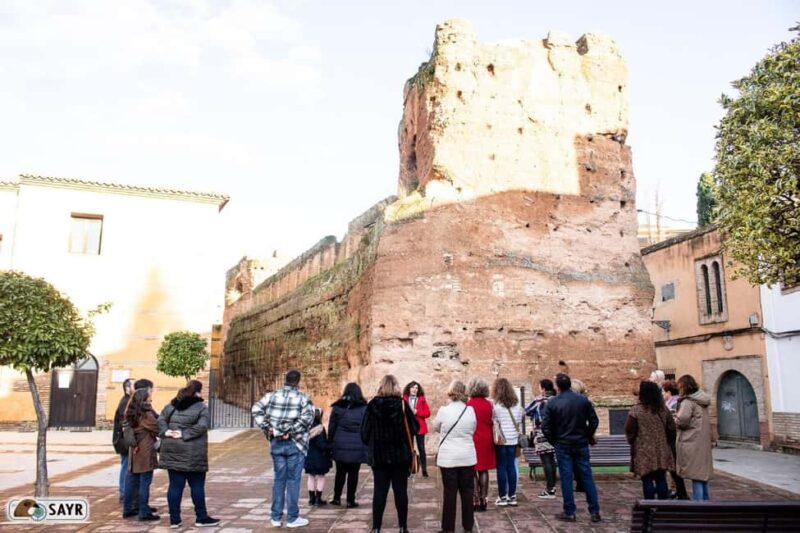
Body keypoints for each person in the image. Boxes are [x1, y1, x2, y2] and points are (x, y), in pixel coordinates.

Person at [252, 369, 315, 528]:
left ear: (285, 380)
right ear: (298, 381)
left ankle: (276, 517)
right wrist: (291, 431)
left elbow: (256, 409)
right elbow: (308, 418)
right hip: (295, 443)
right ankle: (293, 517)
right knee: (293, 480)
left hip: (276, 443)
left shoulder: (271, 395)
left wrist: (269, 428)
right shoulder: (303, 398)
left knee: (279, 479)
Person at [158, 380, 220, 528]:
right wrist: (183, 434)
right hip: (193, 452)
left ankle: (174, 520)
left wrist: (166, 431)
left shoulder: (171, 406)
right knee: (197, 486)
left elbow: (160, 419)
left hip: (172, 450)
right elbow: (203, 426)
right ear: (198, 392)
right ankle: (201, 517)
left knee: (174, 486)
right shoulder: (201, 408)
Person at [360, 374, 418, 533]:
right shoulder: (402, 405)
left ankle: (377, 527)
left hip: (379, 456)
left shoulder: (372, 405)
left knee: (379, 491)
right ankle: (402, 526)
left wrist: (374, 444)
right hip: (400, 456)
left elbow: (364, 433)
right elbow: (415, 428)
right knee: (401, 491)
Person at [542, 373, 601, 523]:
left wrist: (554, 440)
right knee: (586, 476)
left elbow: (545, 426)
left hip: (563, 444)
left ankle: (569, 511)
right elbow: (594, 421)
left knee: (566, 478)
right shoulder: (582, 401)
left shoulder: (553, 403)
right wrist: (587, 435)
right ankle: (594, 511)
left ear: (557, 386)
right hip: (580, 442)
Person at [434, 380, 477, 533]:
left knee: (449, 493)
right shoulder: (470, 411)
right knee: (467, 492)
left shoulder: (443, 411)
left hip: (448, 458)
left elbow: (436, 427)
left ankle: (448, 528)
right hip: (467, 456)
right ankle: (468, 526)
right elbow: (473, 428)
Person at [625, 381, 676, 500]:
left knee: (647, 479)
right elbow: (672, 428)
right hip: (661, 449)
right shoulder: (663, 410)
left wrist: (633, 441)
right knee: (661, 478)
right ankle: (663, 508)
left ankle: (649, 507)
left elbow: (629, 429)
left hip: (644, 450)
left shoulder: (636, 410)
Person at [328, 383, 369, 508]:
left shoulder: (338, 407)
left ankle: (336, 497)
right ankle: (351, 500)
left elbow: (332, 427)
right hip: (357, 444)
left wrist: (330, 442)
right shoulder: (364, 408)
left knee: (340, 472)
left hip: (340, 443)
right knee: (353, 473)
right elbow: (366, 427)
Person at [123, 386, 160, 522]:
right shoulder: (146, 415)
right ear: (144, 399)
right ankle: (143, 511)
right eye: (149, 395)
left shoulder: (132, 412)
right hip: (144, 450)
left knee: (132, 480)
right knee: (145, 481)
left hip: (134, 450)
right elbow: (158, 428)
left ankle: (129, 508)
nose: (151, 396)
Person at [675, 374, 713, 501]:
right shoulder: (702, 401)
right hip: (703, 442)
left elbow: (682, 420)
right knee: (703, 476)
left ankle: (698, 505)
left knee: (696, 475)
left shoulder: (688, 402)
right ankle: (706, 503)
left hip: (692, 441)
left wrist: (675, 419)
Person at [491, 377, 524, 507]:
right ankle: (512, 496)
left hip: (500, 440)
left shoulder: (496, 406)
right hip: (513, 439)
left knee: (501, 468)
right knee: (511, 467)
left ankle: (502, 496)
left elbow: (494, 421)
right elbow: (520, 419)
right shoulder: (518, 406)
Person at [466, 377, 495, 512]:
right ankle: (484, 499)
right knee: (484, 470)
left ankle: (475, 499)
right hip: (487, 439)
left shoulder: (468, 404)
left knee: (472, 470)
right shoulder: (489, 404)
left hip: (472, 439)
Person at [525, 378, 557, 499]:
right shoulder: (556, 399)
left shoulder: (539, 401)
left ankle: (550, 489)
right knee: (552, 460)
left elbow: (527, 411)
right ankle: (552, 486)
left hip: (542, 433)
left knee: (546, 460)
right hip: (556, 434)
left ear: (543, 388)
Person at [661, 380, 688, 499]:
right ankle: (678, 491)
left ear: (668, 392)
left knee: (674, 468)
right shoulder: (677, 402)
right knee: (674, 468)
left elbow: (673, 422)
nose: (662, 394)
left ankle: (681, 493)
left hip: (674, 439)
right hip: (674, 438)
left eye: (663, 391)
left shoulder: (673, 404)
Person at [403, 381, 431, 477]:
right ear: (409, 389)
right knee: (408, 448)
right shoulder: (404, 399)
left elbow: (427, 413)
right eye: (413, 387)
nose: (414, 389)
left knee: (421, 448)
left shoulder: (422, 399)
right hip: (408, 427)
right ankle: (408, 469)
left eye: (416, 388)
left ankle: (424, 470)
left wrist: (417, 412)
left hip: (419, 427)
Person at [304, 408, 332, 506]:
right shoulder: (320, 429)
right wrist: (330, 446)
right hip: (320, 458)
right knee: (321, 477)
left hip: (309, 457)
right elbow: (322, 445)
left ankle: (311, 499)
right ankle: (318, 499)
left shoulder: (306, 429)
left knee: (311, 476)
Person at [113, 378, 134, 503]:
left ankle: (125, 492)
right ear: (127, 388)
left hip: (124, 439)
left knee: (126, 465)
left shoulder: (129, 401)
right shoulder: (125, 403)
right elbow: (125, 423)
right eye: (134, 386)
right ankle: (123, 493)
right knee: (126, 465)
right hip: (124, 440)